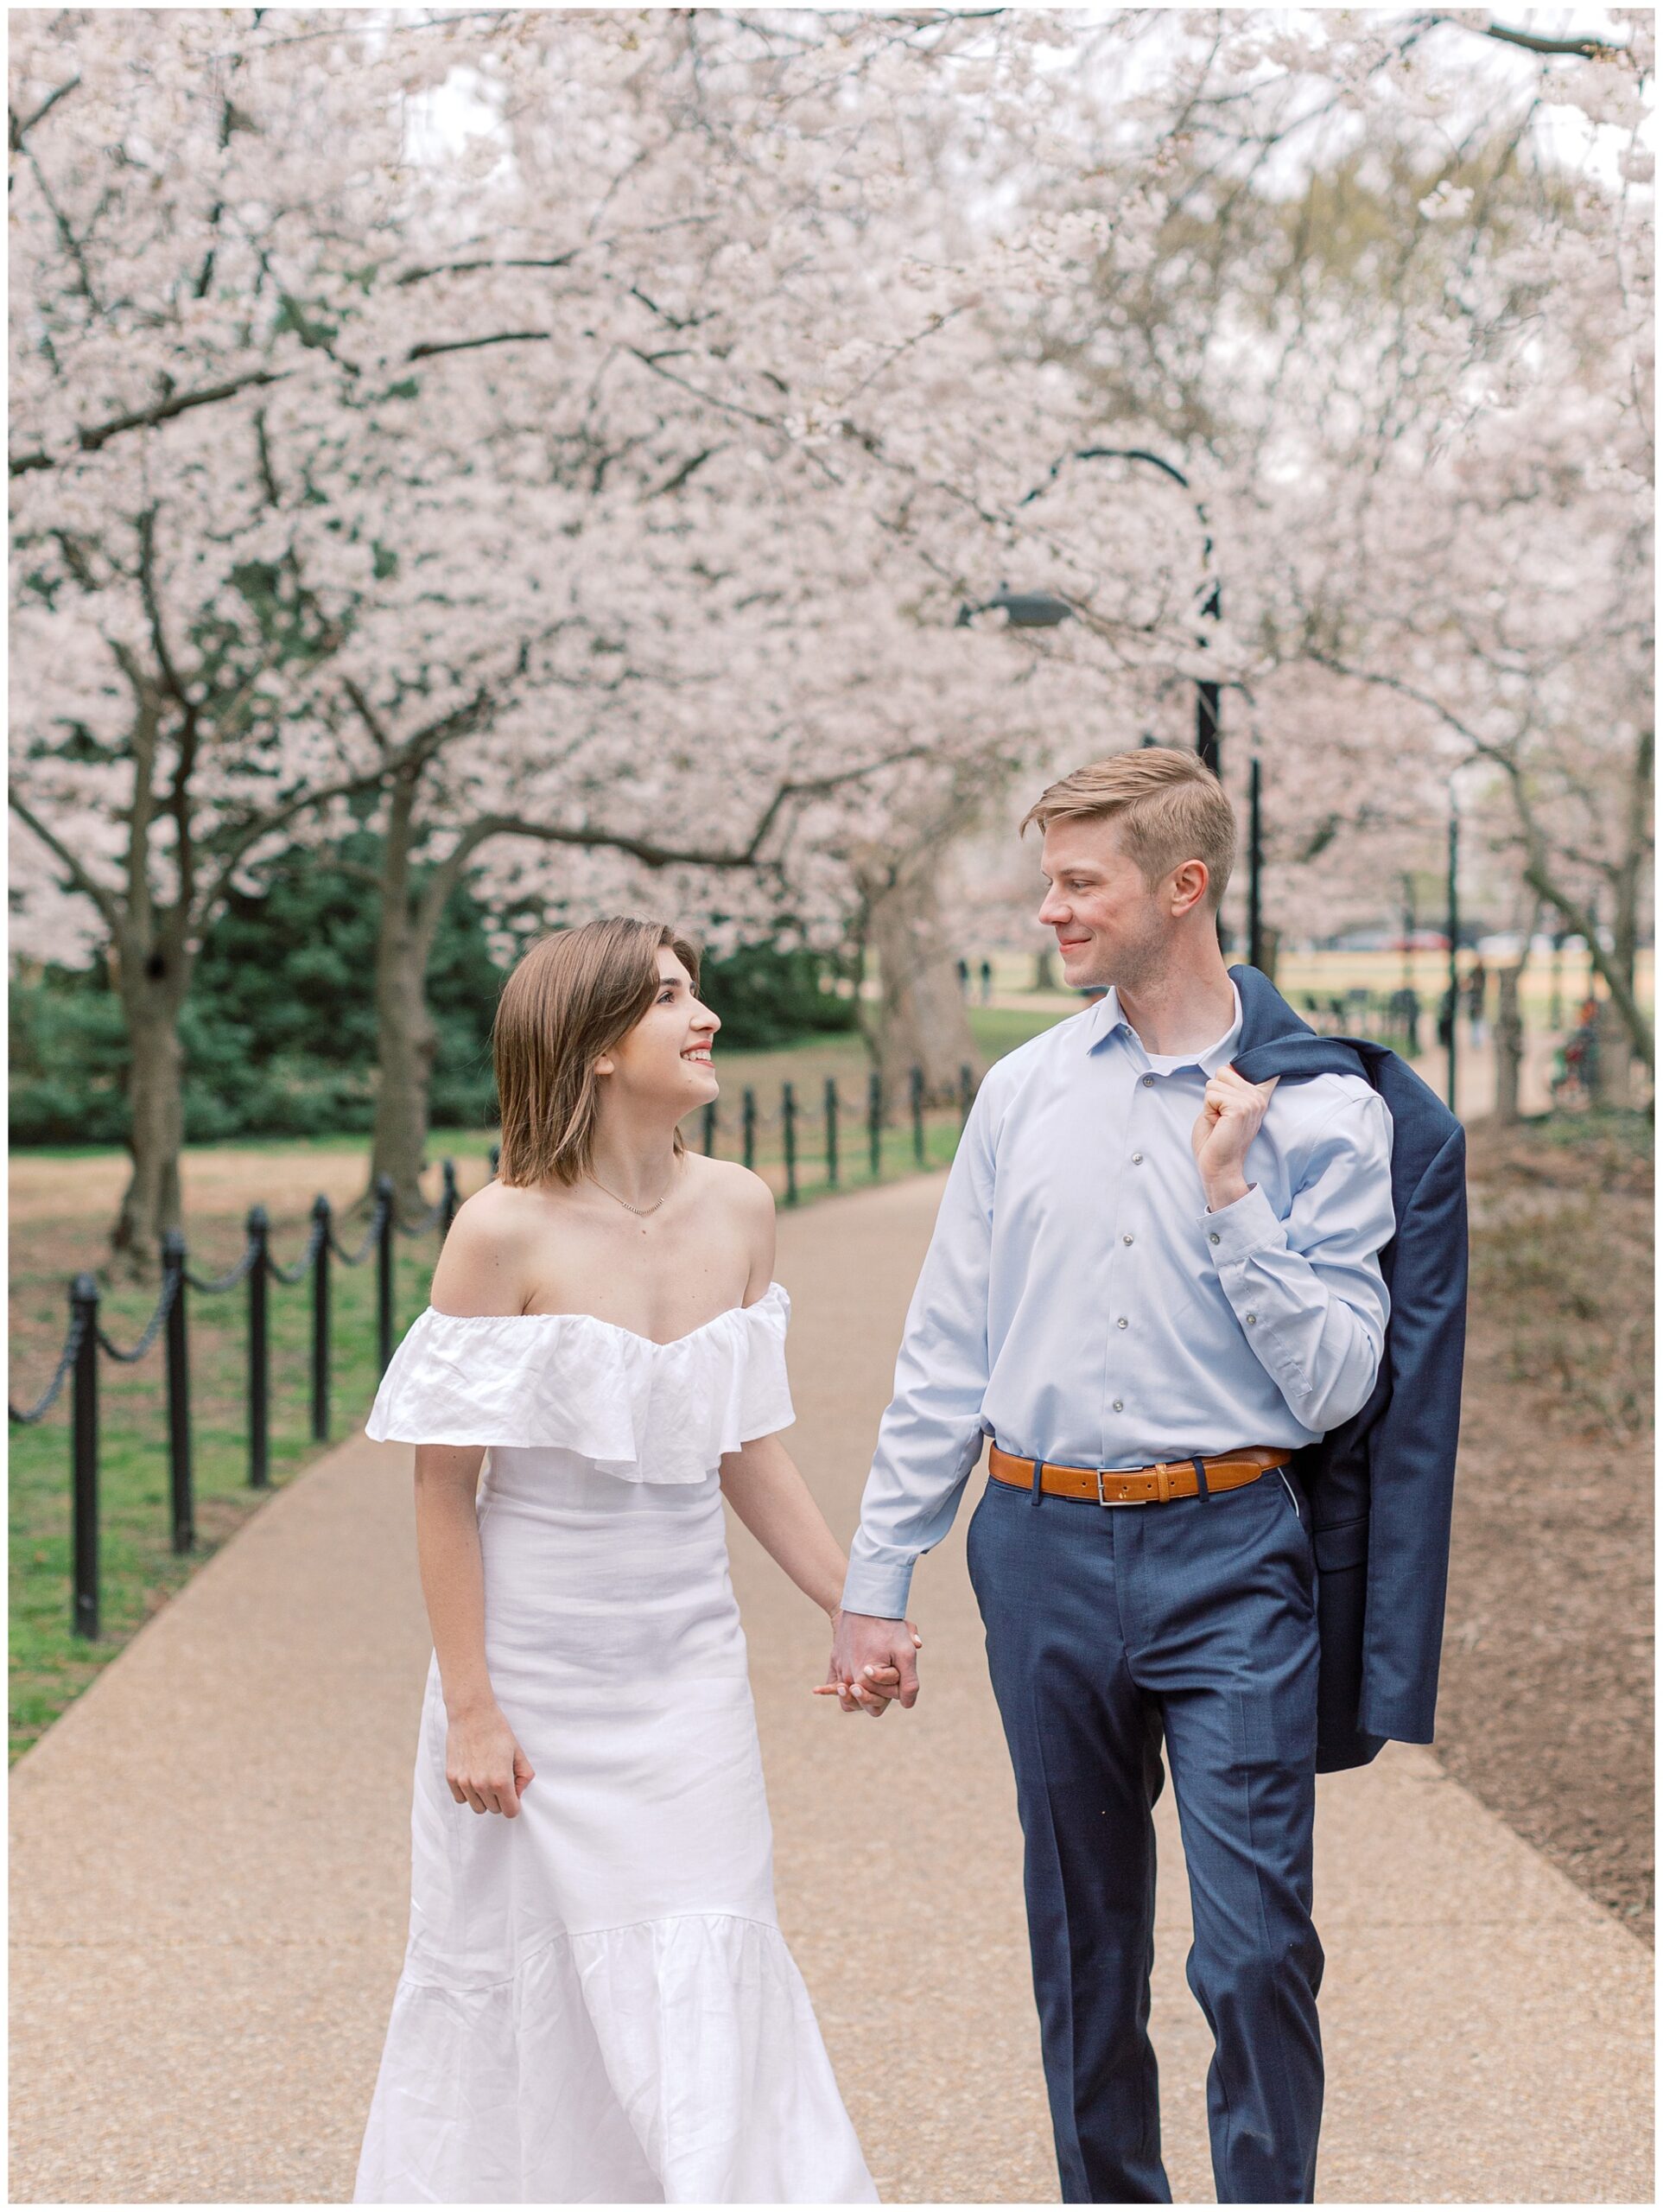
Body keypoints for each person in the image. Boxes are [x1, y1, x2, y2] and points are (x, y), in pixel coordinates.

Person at [828, 748, 1401, 2204]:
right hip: (1038, 1547)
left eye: (1080, 882)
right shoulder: (1021, 1095)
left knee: (1256, 1941)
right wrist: (873, 1582)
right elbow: (945, 1346)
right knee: (1082, 1937)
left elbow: (1339, 1385)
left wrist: (1233, 1205)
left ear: (1181, 887)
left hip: (1232, 1553)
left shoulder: (1325, 1112)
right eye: (1051, 880)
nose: (1050, 911)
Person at [352, 917, 899, 2203]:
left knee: (714, 1943)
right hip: (532, 1679)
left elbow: (740, 1445)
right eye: (666, 999)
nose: (702, 1014)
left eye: (695, 989)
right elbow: (445, 1489)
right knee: (515, 1970)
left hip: (683, 1669)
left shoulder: (741, 1207)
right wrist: (473, 1711)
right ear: (594, 1047)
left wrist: (855, 1606)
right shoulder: (501, 1233)